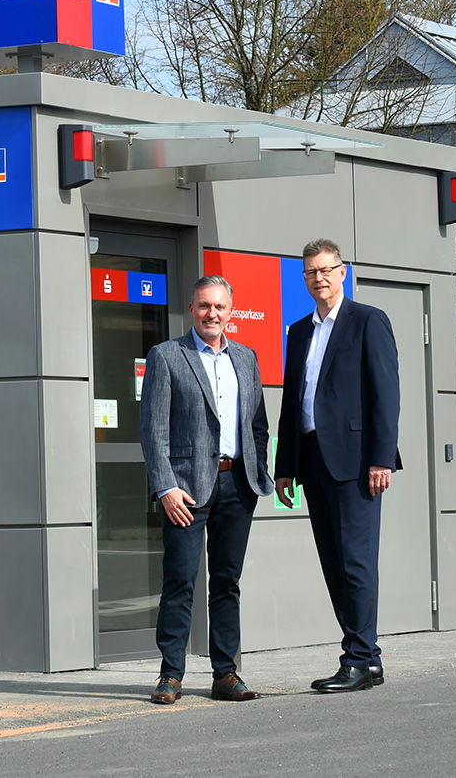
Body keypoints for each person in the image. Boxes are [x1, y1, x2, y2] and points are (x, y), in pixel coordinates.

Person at [139, 274, 273, 704]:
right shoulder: (167, 356)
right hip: (186, 490)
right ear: (191, 309)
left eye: (219, 306)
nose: (211, 313)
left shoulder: (247, 358)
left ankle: (225, 674)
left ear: (230, 310)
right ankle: (170, 674)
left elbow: (257, 424)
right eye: (203, 306)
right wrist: (165, 487)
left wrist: (259, 473)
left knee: (226, 582)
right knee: (179, 579)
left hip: (238, 483)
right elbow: (153, 430)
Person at [274, 238, 401, 693]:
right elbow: (293, 402)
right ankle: (366, 655)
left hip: (357, 463)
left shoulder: (368, 321)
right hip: (312, 461)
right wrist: (284, 464)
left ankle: (359, 660)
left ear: (342, 272)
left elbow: (386, 395)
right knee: (333, 563)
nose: (318, 278)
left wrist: (381, 459)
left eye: (326, 269)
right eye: (310, 272)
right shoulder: (298, 331)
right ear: (304, 278)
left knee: (356, 562)